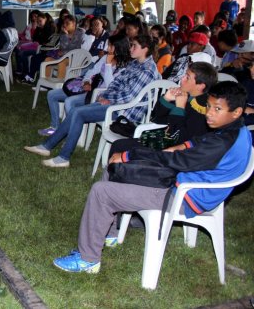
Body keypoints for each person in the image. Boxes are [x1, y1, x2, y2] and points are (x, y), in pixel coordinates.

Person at [52, 81, 251, 274]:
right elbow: (196, 143)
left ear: (236, 112)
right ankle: (109, 234)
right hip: (185, 182)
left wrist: (131, 155)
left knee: (101, 191)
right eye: (209, 106)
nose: (209, 113)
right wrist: (179, 146)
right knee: (114, 169)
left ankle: (87, 259)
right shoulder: (234, 130)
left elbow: (178, 161)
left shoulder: (223, 142)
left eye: (217, 109)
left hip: (184, 196)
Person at [25, 34, 160, 168]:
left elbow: (129, 96)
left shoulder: (147, 70)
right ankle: (47, 147)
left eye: (134, 46)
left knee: (78, 113)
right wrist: (105, 95)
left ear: (145, 48)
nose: (130, 48)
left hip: (124, 113)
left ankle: (62, 157)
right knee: (75, 111)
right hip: (117, 104)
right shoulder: (136, 63)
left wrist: (108, 98)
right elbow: (116, 83)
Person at [110, 61, 218, 154]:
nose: (182, 78)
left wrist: (180, 108)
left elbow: (178, 137)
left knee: (120, 146)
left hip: (176, 151)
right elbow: (157, 119)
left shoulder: (202, 108)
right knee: (120, 144)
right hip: (165, 140)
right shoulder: (186, 96)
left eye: (187, 77)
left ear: (200, 86)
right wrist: (166, 100)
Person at [38, 34, 131, 137]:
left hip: (100, 95)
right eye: (108, 45)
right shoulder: (105, 57)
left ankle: (72, 133)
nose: (107, 48)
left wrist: (108, 65)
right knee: (52, 94)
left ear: (119, 48)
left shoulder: (125, 67)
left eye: (110, 46)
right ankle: (54, 127)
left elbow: (111, 86)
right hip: (90, 89)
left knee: (69, 101)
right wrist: (86, 81)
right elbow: (91, 72)